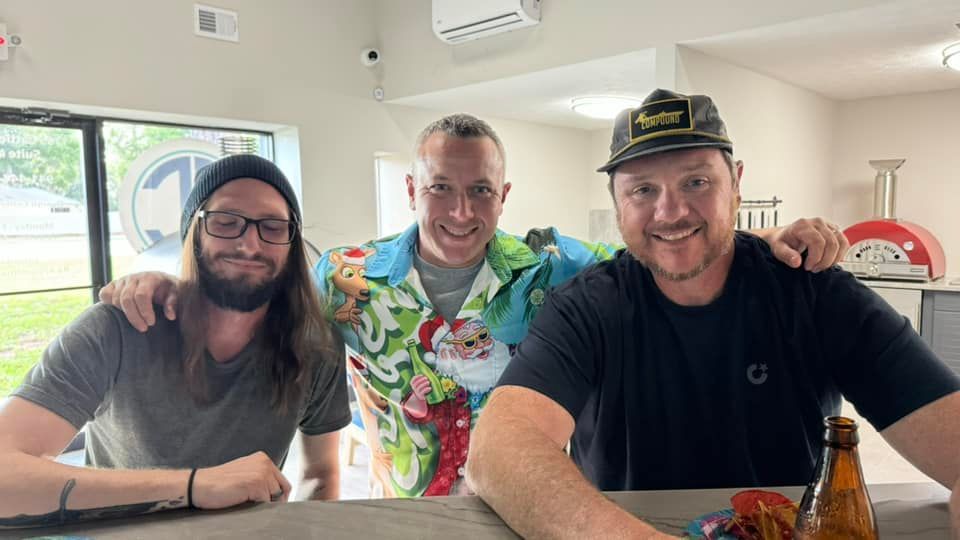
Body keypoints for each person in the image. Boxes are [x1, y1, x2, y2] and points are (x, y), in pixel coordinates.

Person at [100, 114, 849, 499]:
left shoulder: (554, 271)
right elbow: (247, 294)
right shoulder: (344, 277)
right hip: (401, 513)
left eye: (481, 190)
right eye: (441, 189)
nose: (461, 211)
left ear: (505, 193)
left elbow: (663, 252)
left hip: (522, 509)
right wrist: (160, 280)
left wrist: (764, 238)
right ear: (411, 190)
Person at [465, 89, 960, 538]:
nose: (670, 211)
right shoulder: (586, 308)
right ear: (616, 202)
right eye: (642, 190)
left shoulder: (816, 296)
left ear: (736, 183)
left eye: (696, 181)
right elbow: (497, 450)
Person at [0, 155, 350, 529]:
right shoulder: (118, 329)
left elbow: (321, 475)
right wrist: (194, 486)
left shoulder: (316, 346)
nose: (250, 245)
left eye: (272, 227)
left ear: (291, 242)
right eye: (226, 223)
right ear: (193, 233)